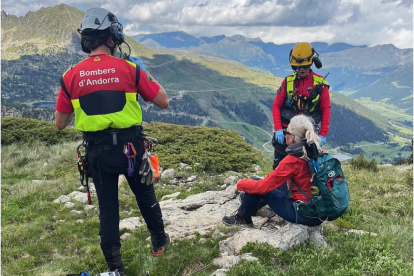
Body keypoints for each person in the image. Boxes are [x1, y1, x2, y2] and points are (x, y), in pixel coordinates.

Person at [54, 7, 170, 273]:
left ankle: (116, 267)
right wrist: (143, 72)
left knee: (108, 210)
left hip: (97, 153)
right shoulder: (130, 68)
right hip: (132, 150)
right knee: (145, 196)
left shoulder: (70, 75)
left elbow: (60, 123)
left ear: (87, 39)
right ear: (112, 36)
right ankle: (159, 243)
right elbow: (163, 101)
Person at [222, 115, 323, 227]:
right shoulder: (318, 152)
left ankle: (242, 218)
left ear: (292, 137)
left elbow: (263, 186)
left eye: (286, 132)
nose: (285, 135)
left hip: (301, 213)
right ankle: (253, 204)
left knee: (255, 183)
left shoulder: (292, 160)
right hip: (319, 212)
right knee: (275, 184)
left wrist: (240, 184)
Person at [272, 42, 331, 169]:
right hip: (287, 132)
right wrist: (278, 129)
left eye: (305, 66)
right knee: (280, 167)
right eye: (298, 67)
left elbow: (325, 109)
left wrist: (323, 134)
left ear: (311, 63)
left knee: (305, 169)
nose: (301, 69)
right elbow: (276, 106)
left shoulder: (320, 84)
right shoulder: (288, 82)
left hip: (308, 132)